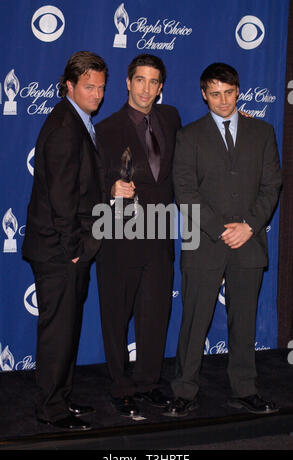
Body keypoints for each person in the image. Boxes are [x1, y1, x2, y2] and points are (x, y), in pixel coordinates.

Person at [165, 62, 282, 417]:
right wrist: (220, 228)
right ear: (204, 95)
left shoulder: (262, 132)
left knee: (244, 321)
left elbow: (271, 184)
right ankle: (184, 390)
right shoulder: (189, 136)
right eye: (215, 94)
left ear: (238, 91)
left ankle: (245, 389)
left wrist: (248, 225)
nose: (223, 100)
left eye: (229, 92)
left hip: (249, 240)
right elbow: (184, 191)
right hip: (205, 240)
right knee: (194, 321)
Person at [22, 51, 107, 430]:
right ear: (69, 85)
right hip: (60, 250)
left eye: (101, 87)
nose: (97, 94)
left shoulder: (78, 121)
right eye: (89, 87)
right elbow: (61, 197)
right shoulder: (63, 127)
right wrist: (75, 249)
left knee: (68, 327)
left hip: (68, 248)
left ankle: (63, 397)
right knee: (58, 332)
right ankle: (51, 408)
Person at [95, 54, 181, 416]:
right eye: (140, 80)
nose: (147, 88)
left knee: (155, 312)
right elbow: (87, 181)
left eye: (154, 82)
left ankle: (148, 382)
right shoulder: (105, 129)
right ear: (128, 83)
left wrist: (237, 119)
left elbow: (198, 147)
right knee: (117, 313)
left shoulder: (172, 118)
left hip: (160, 233)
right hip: (119, 235)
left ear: (161, 87)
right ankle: (121, 384)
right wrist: (109, 187)